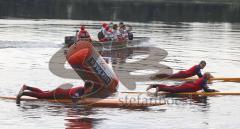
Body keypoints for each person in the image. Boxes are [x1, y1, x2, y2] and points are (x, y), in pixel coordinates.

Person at [16, 80, 94, 104]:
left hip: (61, 91)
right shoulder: (80, 90)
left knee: (43, 93)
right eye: (91, 87)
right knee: (41, 96)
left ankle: (26, 87)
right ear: (88, 87)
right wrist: (80, 99)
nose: (92, 89)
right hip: (59, 93)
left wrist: (81, 98)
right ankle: (23, 93)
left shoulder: (83, 90)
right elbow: (73, 96)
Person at [147, 72, 218, 95]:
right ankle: (159, 88)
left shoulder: (202, 79)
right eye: (210, 77)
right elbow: (206, 90)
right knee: (174, 90)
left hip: (188, 86)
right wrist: (214, 91)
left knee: (172, 87)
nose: (210, 78)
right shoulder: (203, 81)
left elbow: (204, 87)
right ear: (207, 77)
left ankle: (154, 85)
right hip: (187, 87)